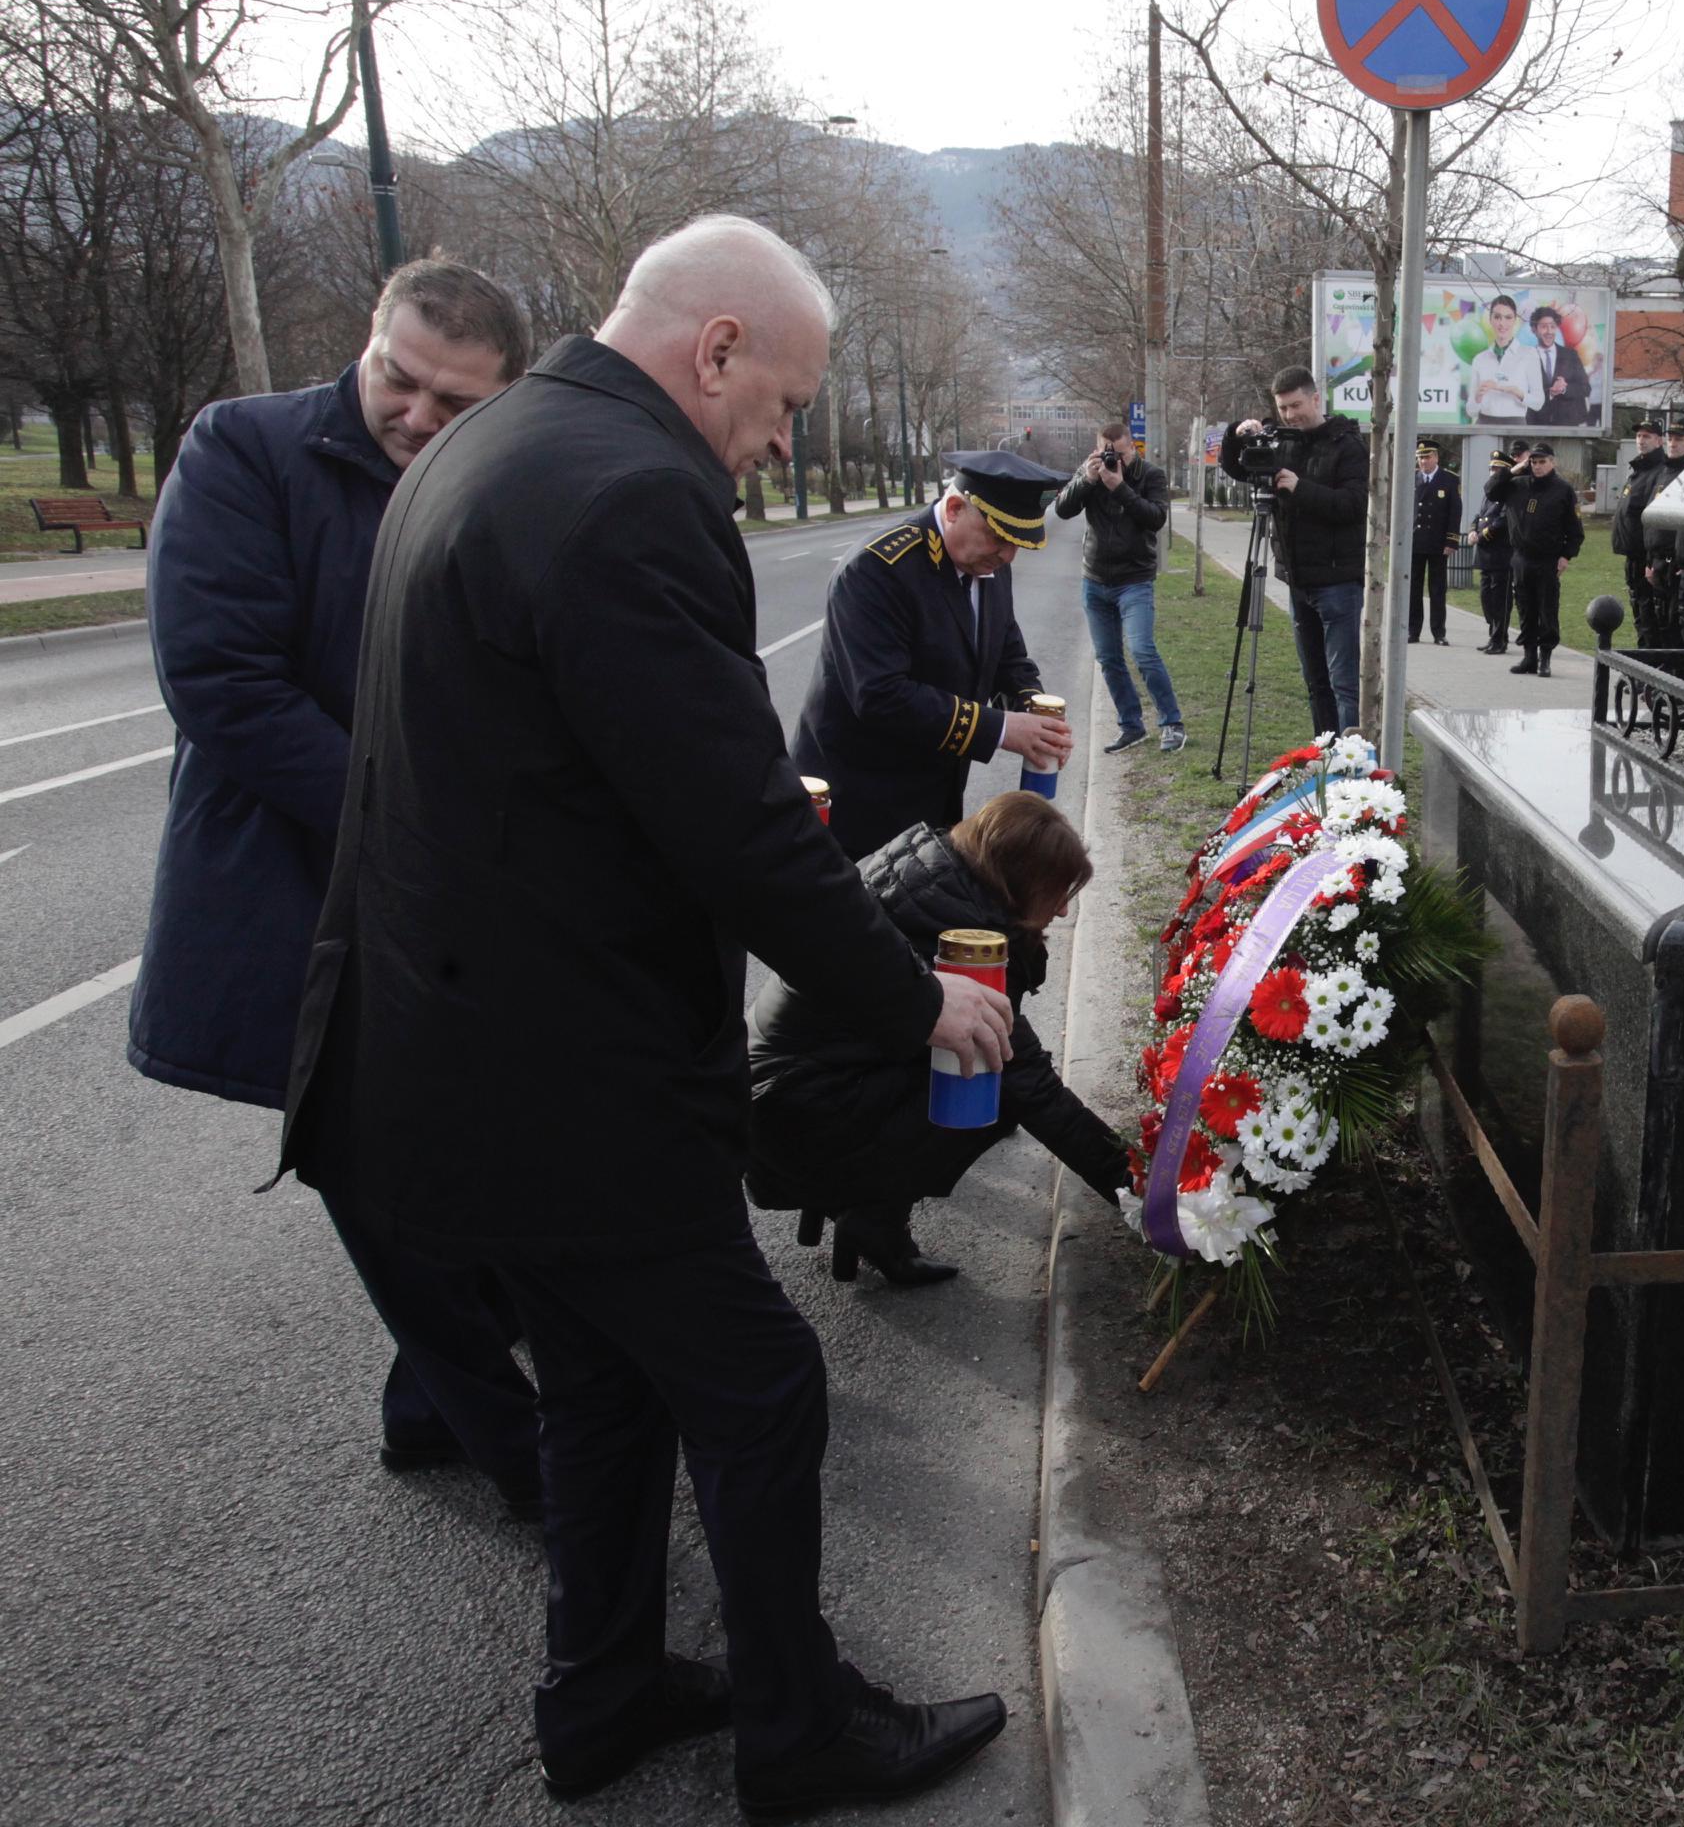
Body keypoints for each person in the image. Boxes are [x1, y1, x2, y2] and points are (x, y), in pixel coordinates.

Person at [281, 213, 1019, 1812]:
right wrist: (913, 1003)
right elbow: (736, 828)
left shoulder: (492, 450)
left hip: (453, 1051)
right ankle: (798, 1728)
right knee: (762, 1385)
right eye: (787, 404)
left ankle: (600, 1686)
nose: (780, 442)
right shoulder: (635, 499)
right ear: (719, 350)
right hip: (573, 1076)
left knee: (607, 1383)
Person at [128, 258, 541, 1520]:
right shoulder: (243, 450)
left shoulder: (494, 476)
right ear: (367, 343)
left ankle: (427, 1413)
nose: (415, 416)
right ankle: (532, 1462)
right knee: (383, 1181)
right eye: (398, 381)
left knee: (463, 1151)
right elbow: (222, 685)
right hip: (297, 889)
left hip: (434, 903)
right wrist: (418, 820)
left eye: (452, 403)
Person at [746, 792, 1131, 1288]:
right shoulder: (957, 937)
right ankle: (871, 1213)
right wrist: (1141, 1188)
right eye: (1055, 891)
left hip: (786, 1089)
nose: (1060, 911)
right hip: (795, 1117)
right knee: (989, 1087)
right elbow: (1033, 1089)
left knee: (980, 1067)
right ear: (1019, 881)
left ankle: (865, 1209)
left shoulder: (933, 877)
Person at [789, 449, 1077, 860]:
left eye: (1017, 543)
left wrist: (1035, 711)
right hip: (858, 799)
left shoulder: (988, 563)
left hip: (935, 794)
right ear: (956, 508)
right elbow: (880, 695)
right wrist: (1000, 728)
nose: (1008, 555)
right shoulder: (878, 569)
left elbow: (1007, 654)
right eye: (999, 537)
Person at [1217, 365, 1370, 733]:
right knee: (1315, 682)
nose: (1290, 415)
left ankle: (1352, 766)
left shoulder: (1347, 444)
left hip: (1338, 582)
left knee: (1344, 685)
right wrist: (1238, 435)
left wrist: (1300, 488)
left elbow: (1353, 505)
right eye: (1283, 408)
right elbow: (1238, 469)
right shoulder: (1282, 440)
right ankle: (1324, 753)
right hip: (1298, 580)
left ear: (1316, 398)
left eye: (1296, 405)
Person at [1056, 419, 1183, 754]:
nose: (1115, 459)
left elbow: (1156, 518)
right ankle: (1131, 726)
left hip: (1135, 580)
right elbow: (1062, 509)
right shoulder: (1092, 470)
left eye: (1121, 453)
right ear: (1099, 448)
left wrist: (1120, 487)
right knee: (1109, 658)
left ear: (1132, 446)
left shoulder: (1150, 475)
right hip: (1095, 580)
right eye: (1108, 452)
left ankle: (1172, 723)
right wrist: (1088, 479)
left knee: (1142, 651)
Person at [1489, 441, 1583, 678]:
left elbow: (1575, 529)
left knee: (1546, 609)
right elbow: (1490, 490)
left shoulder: (1563, 489)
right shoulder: (1517, 484)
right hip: (1521, 557)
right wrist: (1512, 469)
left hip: (1548, 559)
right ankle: (1529, 657)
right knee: (1525, 608)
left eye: (1543, 462)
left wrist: (1565, 556)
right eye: (1534, 461)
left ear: (1552, 462)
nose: (1538, 466)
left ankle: (1545, 658)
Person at [1640, 415, 1684, 648]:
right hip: (1658, 564)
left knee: (1679, 631)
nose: (1673, 443)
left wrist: (1680, 561)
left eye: (1679, 439)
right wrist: (1650, 561)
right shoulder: (1665, 473)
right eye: (1670, 438)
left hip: (1679, 566)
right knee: (1658, 626)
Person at [1612, 416, 1668, 643]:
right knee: (1639, 611)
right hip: (1633, 556)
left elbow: (1653, 519)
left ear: (1659, 440)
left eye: (1647, 436)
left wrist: (1651, 560)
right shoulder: (1639, 469)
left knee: (1648, 615)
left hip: (1645, 558)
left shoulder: (1658, 471)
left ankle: (1648, 663)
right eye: (1638, 435)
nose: (1641, 440)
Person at [1408, 436, 1460, 646]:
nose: (1423, 461)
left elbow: (1455, 512)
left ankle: (1439, 632)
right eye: (1420, 457)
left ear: (1436, 457)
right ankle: (1413, 631)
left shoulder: (1449, 479)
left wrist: (1451, 541)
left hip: (1438, 543)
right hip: (1415, 542)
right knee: (1413, 589)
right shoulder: (1411, 478)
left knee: (1437, 589)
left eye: (1427, 457)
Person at [1469, 447, 1517, 655]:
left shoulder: (1509, 493)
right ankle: (1493, 635)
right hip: (1485, 555)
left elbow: (1503, 521)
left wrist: (1482, 535)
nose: (1493, 472)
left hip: (1500, 554)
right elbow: (1479, 516)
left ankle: (1500, 639)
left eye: (1498, 469)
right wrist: (1472, 530)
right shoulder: (1489, 493)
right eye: (1491, 468)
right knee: (1486, 598)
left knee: (1500, 600)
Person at [1461, 294, 1535, 426]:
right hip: (1484, 425)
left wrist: (1518, 393)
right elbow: (1471, 411)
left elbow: (1538, 402)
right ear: (1490, 320)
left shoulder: (1528, 354)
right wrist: (1477, 397)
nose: (1502, 323)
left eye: (1508, 317)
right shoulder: (1480, 359)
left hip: (1516, 425)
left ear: (1515, 320)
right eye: (1497, 317)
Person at [1522, 304, 1591, 429]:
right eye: (1543, 327)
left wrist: (1564, 389)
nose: (1549, 331)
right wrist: (1551, 393)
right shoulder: (1526, 358)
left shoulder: (1571, 355)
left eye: (1552, 327)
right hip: (1536, 425)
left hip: (1568, 426)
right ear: (1534, 329)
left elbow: (1586, 388)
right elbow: (1522, 394)